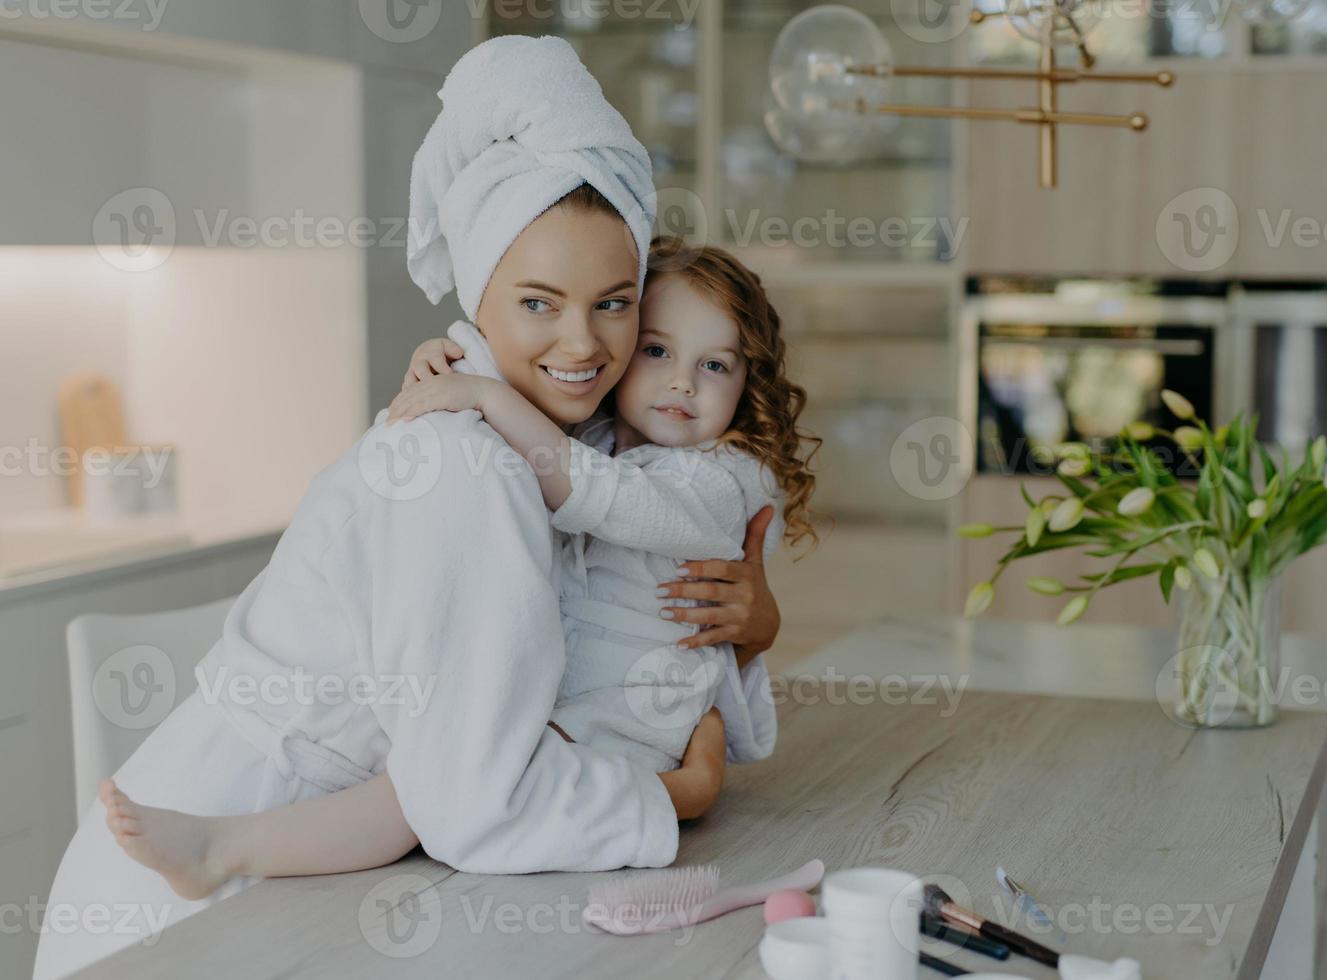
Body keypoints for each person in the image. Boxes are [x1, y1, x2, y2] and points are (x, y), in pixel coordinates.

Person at [33, 36, 780, 979]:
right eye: (538, 302)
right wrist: (677, 791)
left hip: (332, 867)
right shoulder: (469, 469)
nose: (584, 343)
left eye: (615, 303)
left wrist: (752, 631)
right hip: (186, 908)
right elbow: (477, 804)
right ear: (480, 294)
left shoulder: (555, 436)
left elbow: (631, 569)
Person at [96, 237, 820, 901]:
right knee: (427, 796)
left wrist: (486, 395)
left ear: (748, 383)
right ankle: (223, 848)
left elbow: (608, 499)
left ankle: (227, 849)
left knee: (431, 801)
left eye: (715, 365)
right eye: (658, 351)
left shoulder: (727, 477)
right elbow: (540, 429)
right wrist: (454, 365)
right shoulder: (596, 436)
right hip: (564, 703)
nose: (683, 385)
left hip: (626, 712)